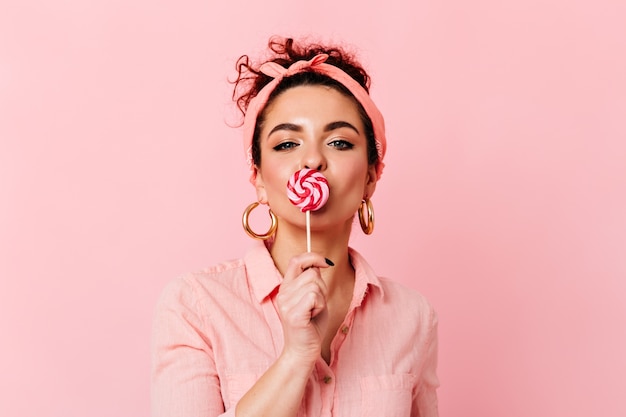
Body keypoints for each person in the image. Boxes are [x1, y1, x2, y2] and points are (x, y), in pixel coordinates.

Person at [151, 36, 439, 417]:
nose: (313, 160)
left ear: (372, 175)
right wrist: (294, 357)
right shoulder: (196, 306)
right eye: (287, 144)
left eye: (338, 142)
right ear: (258, 177)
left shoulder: (411, 316)